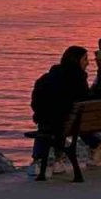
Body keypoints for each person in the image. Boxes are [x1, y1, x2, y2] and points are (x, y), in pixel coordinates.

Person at [28, 46, 91, 178]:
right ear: (76, 60)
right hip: (69, 123)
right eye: (85, 59)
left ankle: (39, 162)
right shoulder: (79, 79)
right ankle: (58, 160)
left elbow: (35, 102)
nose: (88, 62)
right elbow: (85, 100)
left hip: (49, 120)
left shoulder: (46, 78)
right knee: (60, 119)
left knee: (46, 124)